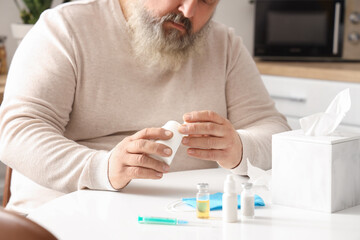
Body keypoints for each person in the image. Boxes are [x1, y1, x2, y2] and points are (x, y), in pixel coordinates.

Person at [0, 0, 290, 214]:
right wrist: (102, 168)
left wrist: (240, 148)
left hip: (190, 222)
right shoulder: (65, 28)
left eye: (205, 1)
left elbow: (275, 130)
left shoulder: (224, 45)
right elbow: (16, 132)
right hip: (62, 218)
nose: (189, 11)